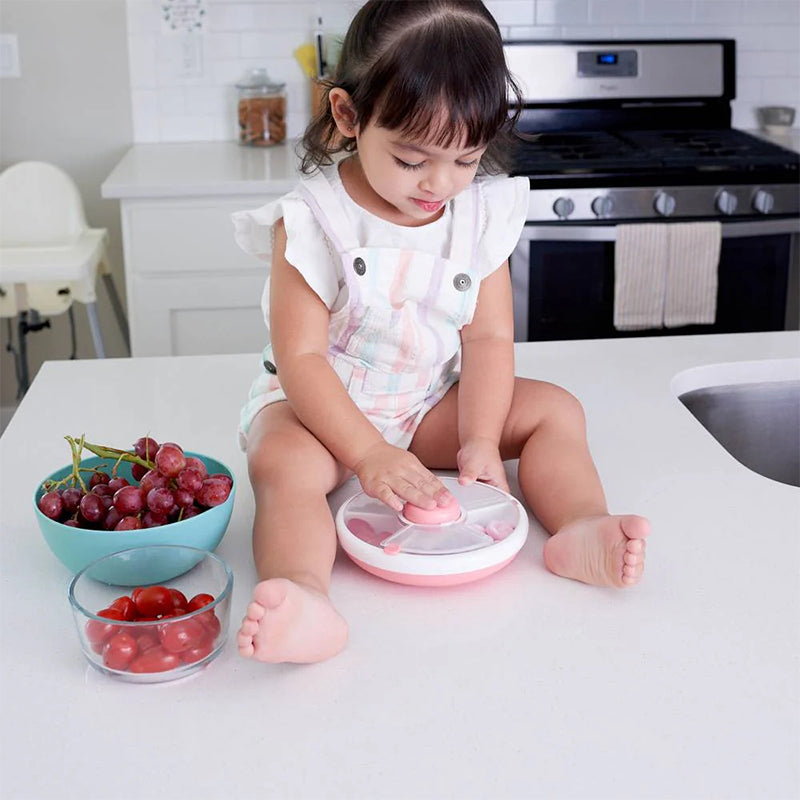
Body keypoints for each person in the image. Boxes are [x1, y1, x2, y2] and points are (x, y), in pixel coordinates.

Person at [232, 0, 649, 665]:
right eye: (412, 159)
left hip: (424, 403)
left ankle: (577, 528)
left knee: (555, 410)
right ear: (348, 115)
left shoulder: (478, 212)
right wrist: (367, 454)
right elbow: (301, 357)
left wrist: (480, 439)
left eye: (465, 159)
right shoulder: (313, 220)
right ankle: (306, 594)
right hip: (319, 411)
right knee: (282, 462)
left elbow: (488, 342)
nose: (439, 184)